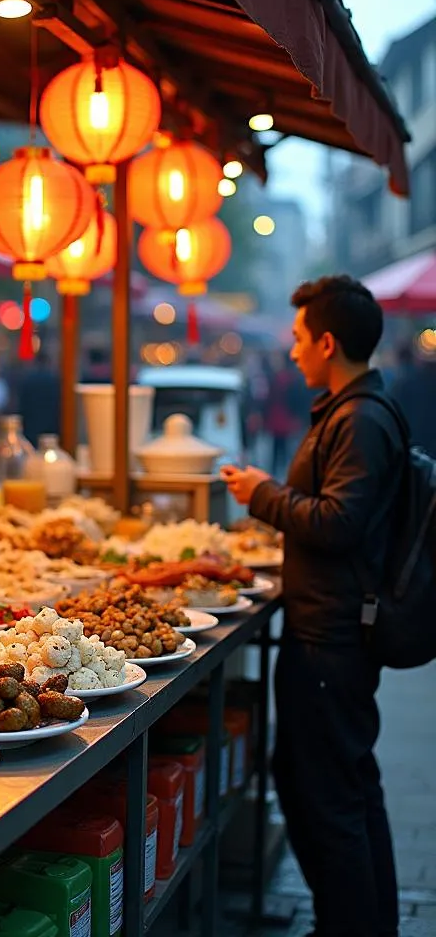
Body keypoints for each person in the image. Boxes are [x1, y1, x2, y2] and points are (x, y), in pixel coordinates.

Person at [221, 276, 400, 937]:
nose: (292, 352)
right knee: (345, 788)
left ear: (328, 342)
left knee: (326, 797)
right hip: (332, 630)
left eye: (299, 339)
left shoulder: (357, 419)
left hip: (332, 640)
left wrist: (263, 493)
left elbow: (337, 522)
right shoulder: (351, 409)